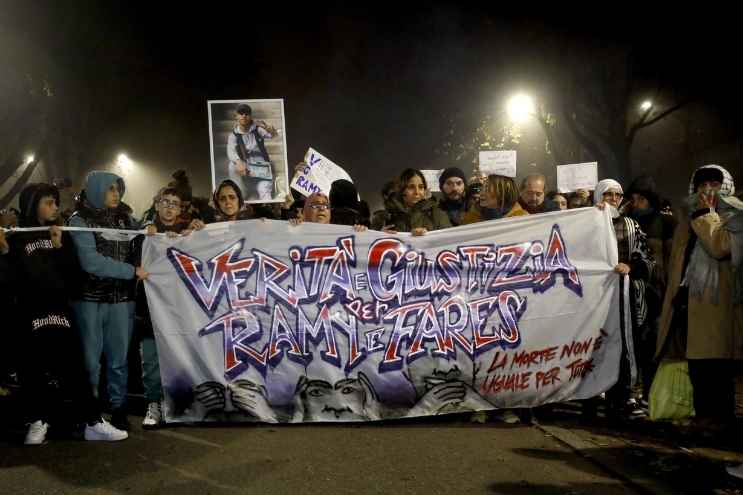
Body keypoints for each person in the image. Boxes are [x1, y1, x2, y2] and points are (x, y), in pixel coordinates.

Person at [6, 183, 128, 443]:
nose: (55, 207)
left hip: (60, 310)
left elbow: (74, 277)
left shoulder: (62, 233)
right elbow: (12, 279)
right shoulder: (17, 236)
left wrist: (61, 248)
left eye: (55, 202)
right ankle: (38, 421)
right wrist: (5, 252)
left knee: (74, 366)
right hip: (29, 311)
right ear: (32, 205)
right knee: (32, 367)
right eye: (48, 202)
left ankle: (92, 422)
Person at [655, 165, 742, 432]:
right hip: (690, 300)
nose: (707, 189)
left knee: (717, 364)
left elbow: (720, 247)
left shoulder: (735, 213)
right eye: (702, 184)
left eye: (714, 183)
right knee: (698, 363)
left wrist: (706, 215)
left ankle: (719, 417)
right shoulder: (689, 216)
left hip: (719, 304)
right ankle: (704, 414)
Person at [67, 171, 148, 431]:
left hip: (122, 300)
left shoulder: (126, 220)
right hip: (89, 300)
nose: (116, 194)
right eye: (110, 189)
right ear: (96, 189)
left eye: (118, 189)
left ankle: (118, 407)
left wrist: (155, 229)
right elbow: (90, 262)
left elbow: (150, 234)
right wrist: (129, 271)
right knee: (90, 362)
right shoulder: (79, 220)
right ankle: (90, 411)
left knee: (119, 359)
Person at [132, 188, 204, 428]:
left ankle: (176, 404)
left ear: (180, 208)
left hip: (180, 310)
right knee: (151, 361)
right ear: (157, 204)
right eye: (165, 202)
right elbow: (132, 260)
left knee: (179, 359)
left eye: (175, 203)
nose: (170, 207)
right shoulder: (144, 232)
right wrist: (143, 236)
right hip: (150, 309)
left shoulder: (187, 233)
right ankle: (153, 403)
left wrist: (197, 233)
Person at [595, 179, 655, 420]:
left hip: (624, 296)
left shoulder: (631, 225)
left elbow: (648, 261)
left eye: (617, 195)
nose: (613, 199)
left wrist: (629, 266)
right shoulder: (586, 223)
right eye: (607, 194)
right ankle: (591, 398)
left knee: (624, 346)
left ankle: (621, 397)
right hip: (595, 299)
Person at [226, 103, 278, 202]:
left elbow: (273, 135)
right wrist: (238, 161)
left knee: (263, 190)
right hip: (246, 166)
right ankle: (240, 192)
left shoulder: (258, 130)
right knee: (231, 165)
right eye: (241, 113)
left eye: (247, 113)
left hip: (261, 166)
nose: (244, 116)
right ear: (236, 116)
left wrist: (268, 128)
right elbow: (230, 150)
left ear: (250, 116)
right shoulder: (233, 135)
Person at [384, 168, 451, 235]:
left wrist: (427, 236)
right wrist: (380, 234)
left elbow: (449, 240)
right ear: (402, 190)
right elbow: (374, 239)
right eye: (411, 187)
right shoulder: (385, 217)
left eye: (421, 187)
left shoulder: (437, 214)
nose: (417, 192)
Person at [462, 174, 529, 223]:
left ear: (502, 192)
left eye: (487, 189)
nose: (481, 193)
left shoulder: (523, 219)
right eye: (482, 188)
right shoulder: (470, 219)